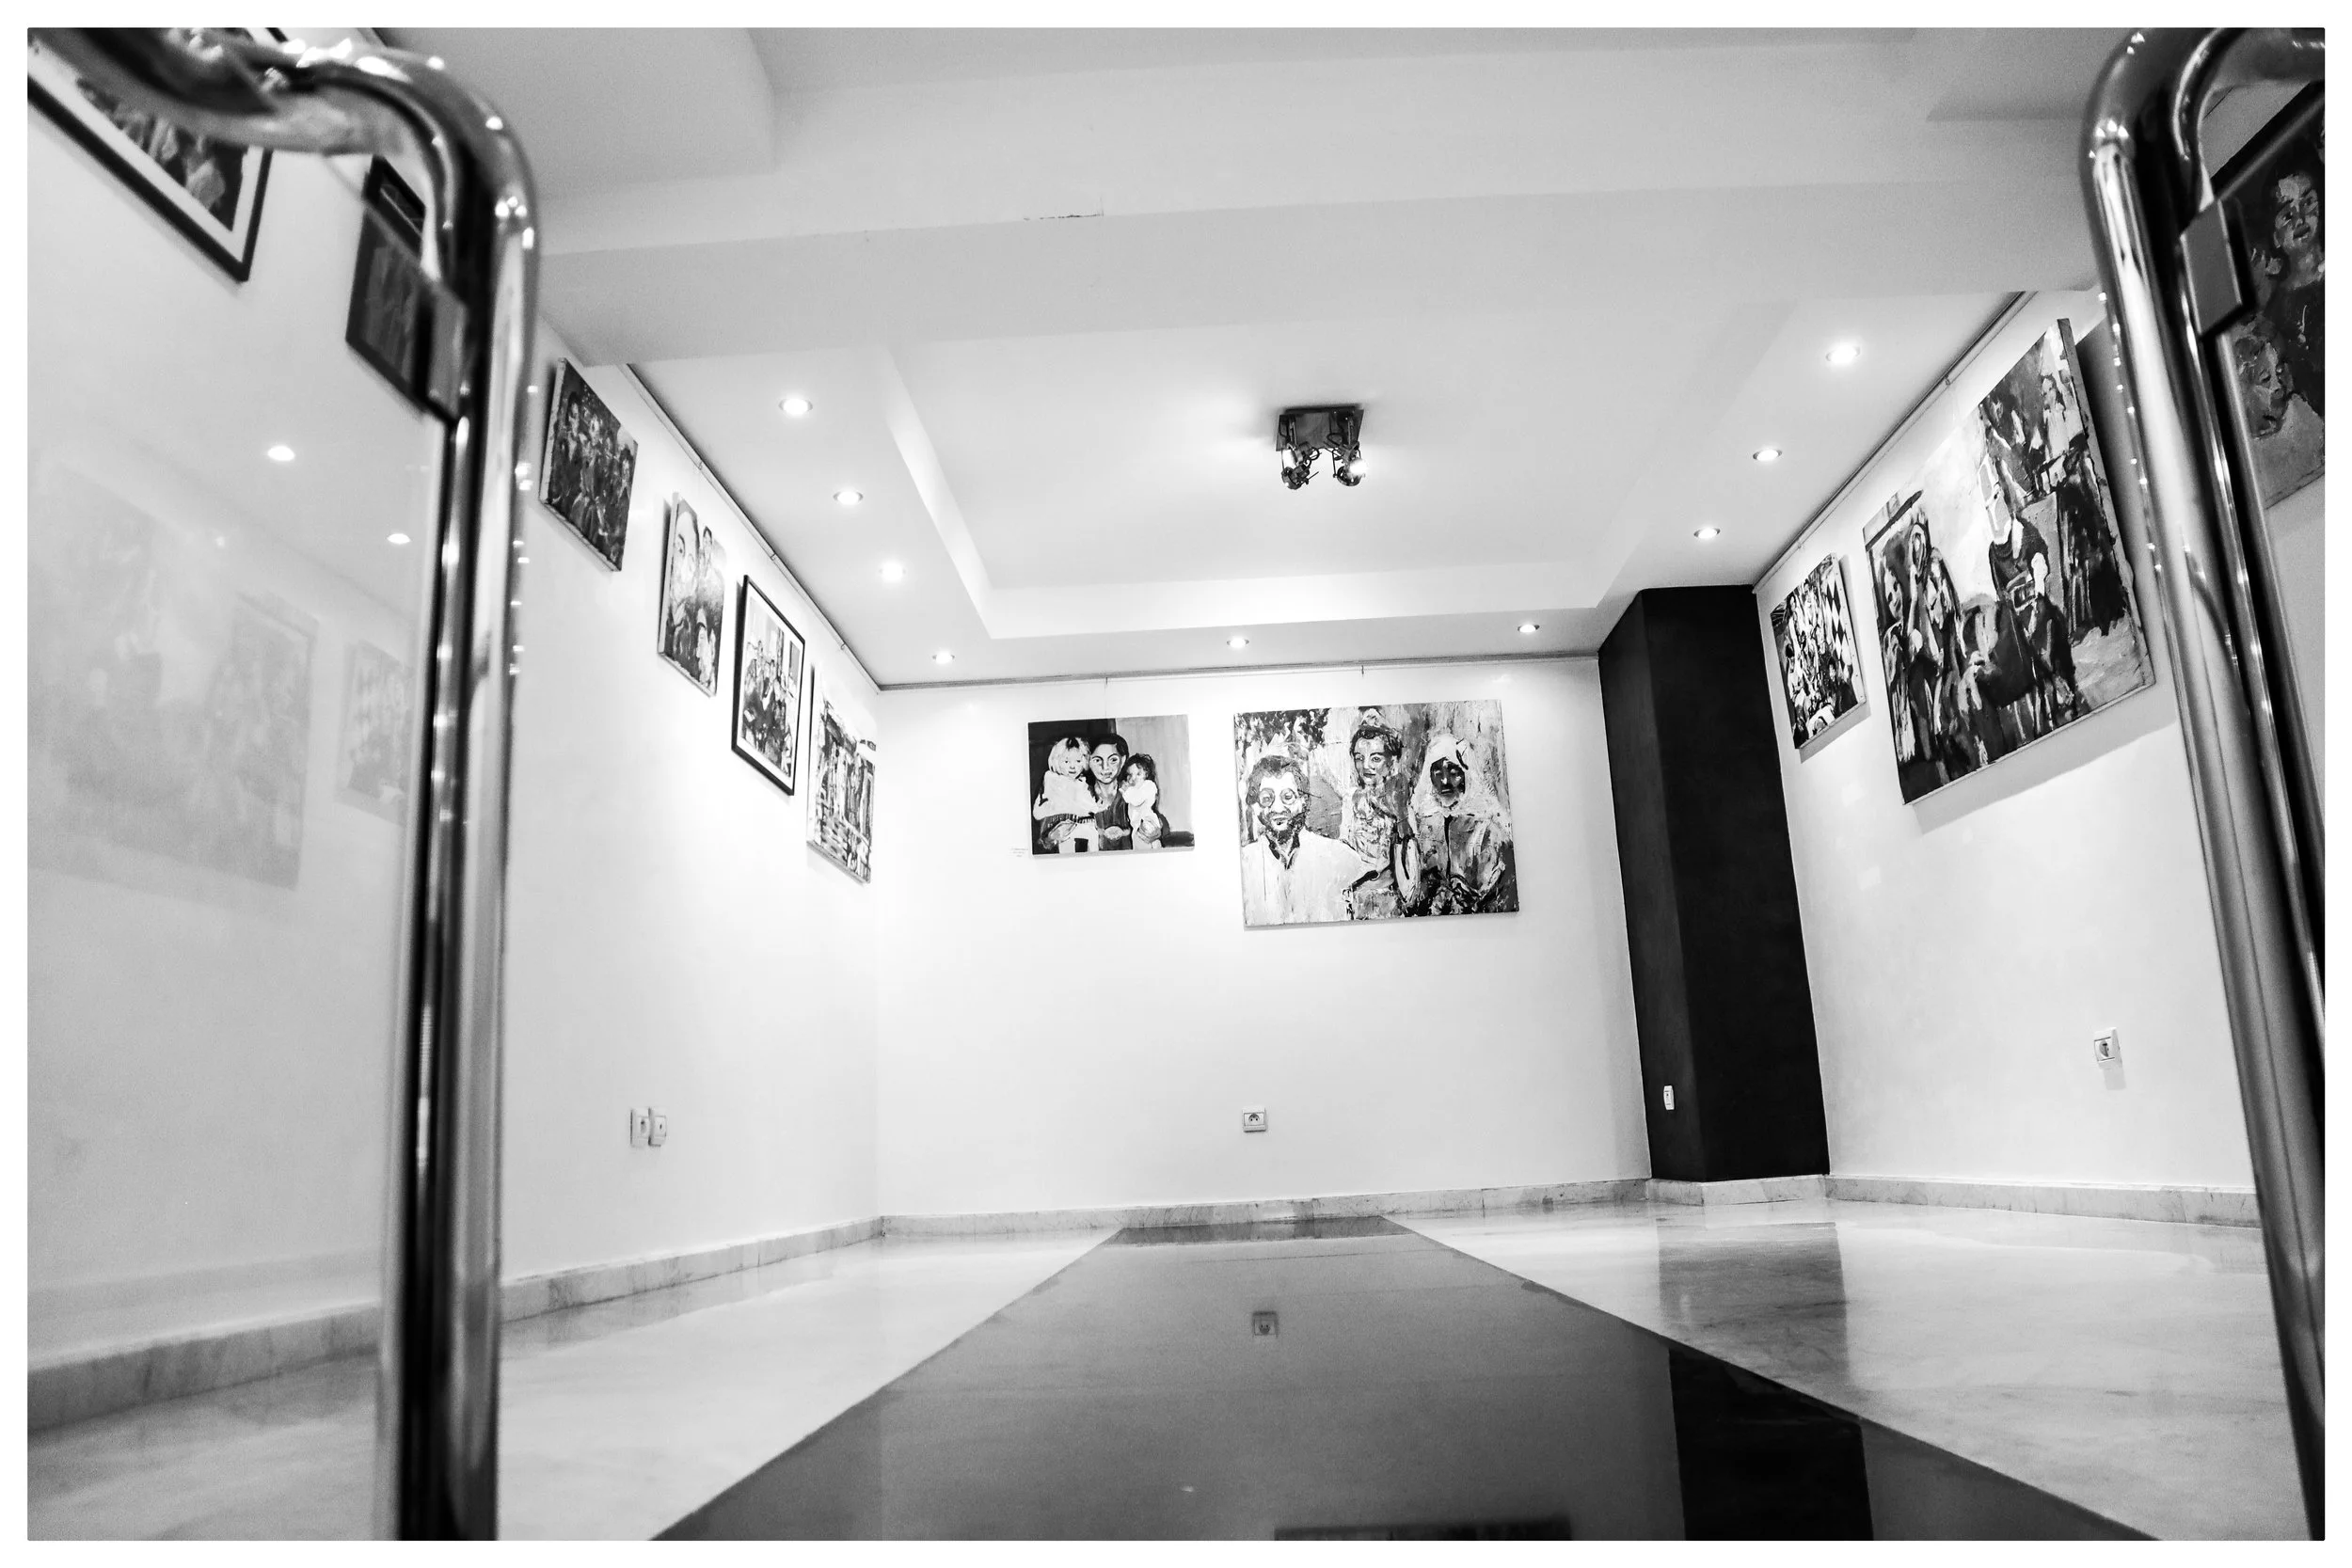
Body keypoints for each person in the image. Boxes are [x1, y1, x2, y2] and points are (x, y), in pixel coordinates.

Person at [1237, 752, 1375, 925]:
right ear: (1255, 806)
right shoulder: (1244, 862)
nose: (1278, 808)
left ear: (1303, 801)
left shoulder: (1339, 857)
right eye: (1267, 799)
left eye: (1288, 797)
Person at [1399, 735, 1512, 915]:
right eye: (1437, 772)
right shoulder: (1423, 827)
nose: (1444, 781)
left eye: (1453, 772)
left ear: (1466, 774)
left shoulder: (1486, 829)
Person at [2232, 310, 2326, 503]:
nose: (2277, 386)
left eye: (2279, 370)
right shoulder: (2243, 456)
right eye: (2266, 378)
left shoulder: (2304, 417)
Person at [1338, 717, 1406, 918]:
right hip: (1355, 896)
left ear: (1391, 762)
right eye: (1359, 758)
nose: (1366, 765)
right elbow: (1344, 848)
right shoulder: (1351, 800)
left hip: (1389, 897)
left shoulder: (1398, 801)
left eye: (1375, 759)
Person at [1033, 736, 1101, 854]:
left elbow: (1089, 806)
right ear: (1057, 761)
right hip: (1057, 824)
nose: (1072, 766)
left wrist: (1095, 807)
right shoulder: (1052, 779)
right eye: (1066, 761)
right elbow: (1039, 811)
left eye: (1078, 761)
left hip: (1079, 823)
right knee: (1066, 841)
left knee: (1093, 834)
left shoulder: (1083, 783)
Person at [1120, 754, 1165, 847]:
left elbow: (1136, 800)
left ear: (1146, 774)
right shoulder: (1131, 789)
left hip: (1147, 822)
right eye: (1130, 774)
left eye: (1138, 774)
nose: (1133, 778)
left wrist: (1125, 791)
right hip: (1136, 827)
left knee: (1149, 844)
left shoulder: (1148, 785)